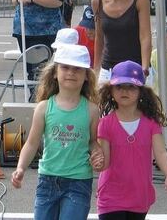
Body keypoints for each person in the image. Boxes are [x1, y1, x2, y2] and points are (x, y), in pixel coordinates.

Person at [10, 44, 102, 220]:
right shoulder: (44, 108)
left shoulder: (91, 110)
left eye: (77, 69)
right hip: (48, 179)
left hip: (79, 180)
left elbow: (92, 140)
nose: (71, 72)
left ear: (86, 77)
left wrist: (97, 152)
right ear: (54, 72)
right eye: (65, 67)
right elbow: (31, 143)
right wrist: (21, 167)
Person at [95, 60, 167, 219]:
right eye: (119, 86)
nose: (124, 91)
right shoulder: (105, 124)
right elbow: (103, 162)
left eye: (131, 86)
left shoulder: (150, 123)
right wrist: (97, 161)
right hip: (110, 195)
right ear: (110, 90)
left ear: (141, 91)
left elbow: (160, 152)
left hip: (139, 195)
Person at [91, 0, 151, 85]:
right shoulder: (97, 1)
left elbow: (145, 36)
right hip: (109, 69)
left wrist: (145, 68)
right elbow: (99, 37)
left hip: (136, 67)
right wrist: (96, 71)